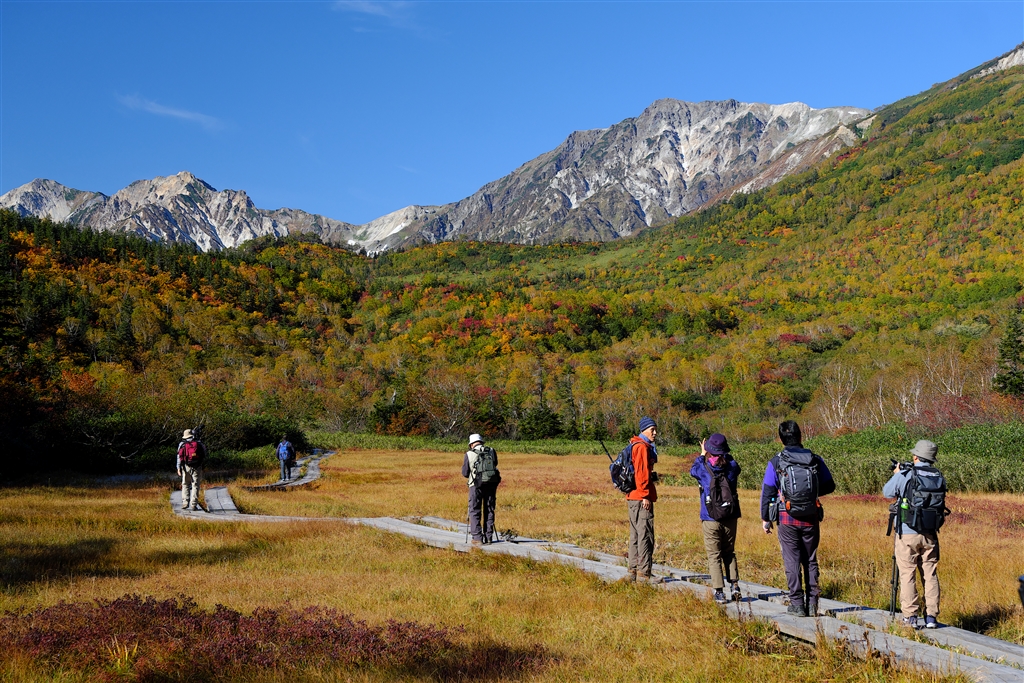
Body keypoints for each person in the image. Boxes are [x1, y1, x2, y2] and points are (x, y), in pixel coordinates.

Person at [760, 420, 835, 616]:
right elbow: (830, 485)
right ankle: (812, 604)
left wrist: (766, 518)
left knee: (792, 560)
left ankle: (797, 604)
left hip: (787, 516)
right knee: (810, 559)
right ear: (800, 436)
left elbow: (767, 491)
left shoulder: (776, 461)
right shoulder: (815, 459)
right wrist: (810, 494)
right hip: (811, 516)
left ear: (781, 439)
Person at [883, 440, 943, 629]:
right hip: (930, 533)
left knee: (907, 573)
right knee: (930, 573)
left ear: (916, 456)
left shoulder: (907, 474)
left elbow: (887, 492)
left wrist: (897, 473)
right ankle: (931, 617)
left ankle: (910, 617)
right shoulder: (938, 476)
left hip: (907, 532)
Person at [690, 432, 742, 603]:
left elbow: (693, 470)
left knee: (714, 555)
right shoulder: (731, 468)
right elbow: (736, 466)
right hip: (730, 516)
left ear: (709, 450)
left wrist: (702, 454)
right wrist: (726, 454)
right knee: (729, 552)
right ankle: (735, 586)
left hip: (710, 517)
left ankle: (719, 591)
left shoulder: (703, 469)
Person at [626, 417, 664, 584]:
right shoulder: (641, 447)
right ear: (643, 430)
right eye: (651, 430)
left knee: (635, 534)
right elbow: (641, 473)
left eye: (655, 429)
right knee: (645, 535)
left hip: (632, 496)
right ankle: (644, 574)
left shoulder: (634, 444)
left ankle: (633, 571)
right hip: (641, 497)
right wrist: (645, 496)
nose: (655, 433)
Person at [462, 433, 500, 545]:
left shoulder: (469, 454)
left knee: (474, 510)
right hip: (491, 484)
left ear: (471, 444)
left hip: (475, 485)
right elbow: (495, 464)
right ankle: (488, 537)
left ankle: (477, 538)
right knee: (489, 509)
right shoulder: (491, 451)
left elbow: (465, 473)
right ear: (481, 442)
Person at [176, 428, 208, 511]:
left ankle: (185, 503)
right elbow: (205, 453)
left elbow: (179, 456)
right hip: (197, 466)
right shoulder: (198, 443)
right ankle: (193, 504)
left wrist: (178, 468)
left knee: (185, 484)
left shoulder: (182, 444)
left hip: (186, 466)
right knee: (195, 485)